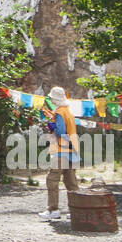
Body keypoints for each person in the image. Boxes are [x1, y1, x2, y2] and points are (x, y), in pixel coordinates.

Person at [38, 87, 80, 221]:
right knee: (71, 182)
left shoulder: (60, 113)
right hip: (71, 149)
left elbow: (61, 132)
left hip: (61, 150)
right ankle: (76, 210)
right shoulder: (69, 112)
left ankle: (53, 209)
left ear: (55, 99)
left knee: (52, 179)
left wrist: (52, 127)